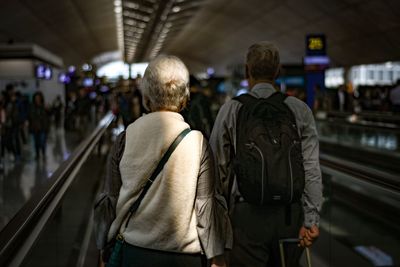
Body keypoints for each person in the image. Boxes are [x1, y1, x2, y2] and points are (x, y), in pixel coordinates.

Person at [95, 55, 232, 267]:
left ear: (146, 97)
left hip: (134, 254)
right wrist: (216, 257)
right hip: (185, 258)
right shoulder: (197, 142)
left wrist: (102, 248)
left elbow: (109, 199)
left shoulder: (125, 139)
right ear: (184, 98)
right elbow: (206, 205)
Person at [209, 41, 322, 267]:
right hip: (290, 215)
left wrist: (218, 222)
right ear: (278, 71)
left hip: (246, 216)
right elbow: (311, 168)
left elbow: (216, 168)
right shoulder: (299, 110)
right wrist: (311, 220)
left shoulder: (232, 109)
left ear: (247, 70)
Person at [29, 92, 50, 160]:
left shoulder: (44, 106)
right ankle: (37, 154)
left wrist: (48, 109)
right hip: (35, 127)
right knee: (36, 142)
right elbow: (30, 116)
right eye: (36, 98)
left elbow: (49, 115)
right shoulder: (32, 107)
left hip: (43, 126)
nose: (37, 99)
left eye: (38, 98)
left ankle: (43, 153)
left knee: (42, 141)